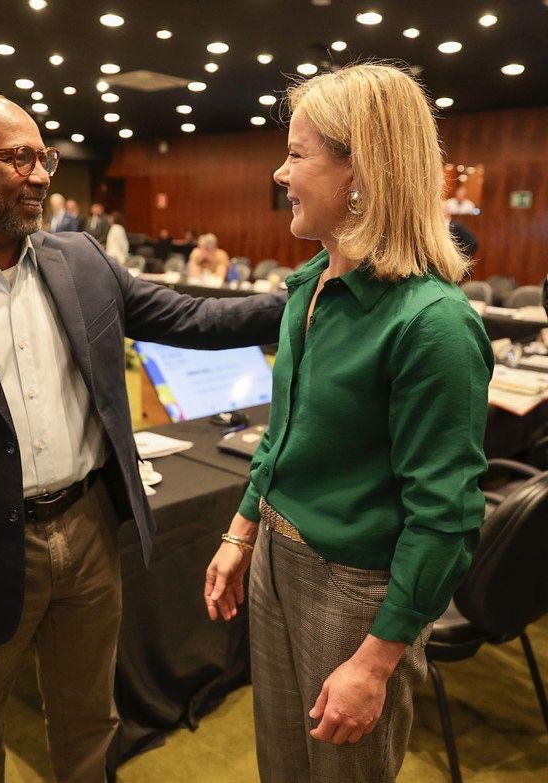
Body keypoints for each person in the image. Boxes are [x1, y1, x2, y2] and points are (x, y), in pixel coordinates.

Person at [0, 90, 285, 783]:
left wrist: (316, 294)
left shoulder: (81, 260)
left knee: (90, 719)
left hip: (88, 529)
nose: (43, 175)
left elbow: (196, 320)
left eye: (43, 156)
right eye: (18, 158)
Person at [204, 64, 493, 783]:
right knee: (284, 765)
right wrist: (242, 530)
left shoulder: (433, 323)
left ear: (361, 171)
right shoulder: (313, 284)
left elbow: (446, 518)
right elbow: (283, 434)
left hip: (354, 590)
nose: (280, 172)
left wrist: (379, 656)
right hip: (275, 555)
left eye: (297, 155)